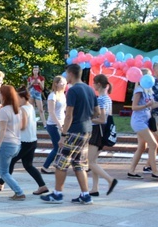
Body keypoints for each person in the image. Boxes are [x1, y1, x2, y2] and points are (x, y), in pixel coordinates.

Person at [41, 64, 99, 204]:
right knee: (79, 163)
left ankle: (57, 194)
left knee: (61, 163)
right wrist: (85, 117)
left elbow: (69, 115)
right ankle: (85, 195)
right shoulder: (89, 89)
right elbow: (97, 112)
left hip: (73, 131)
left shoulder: (73, 90)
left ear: (71, 74)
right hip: (87, 130)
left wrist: (64, 135)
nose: (66, 77)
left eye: (67, 74)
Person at [0, 88, 50, 196]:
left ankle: (1, 183)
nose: (16, 100)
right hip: (32, 140)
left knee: (12, 161)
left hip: (25, 141)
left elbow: (23, 126)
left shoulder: (23, 109)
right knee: (28, 165)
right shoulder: (31, 107)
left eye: (17, 98)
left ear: (23, 98)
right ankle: (42, 186)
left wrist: (11, 125)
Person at [127, 69, 158, 180]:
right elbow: (134, 107)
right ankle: (154, 171)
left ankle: (131, 171)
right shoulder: (139, 91)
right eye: (149, 76)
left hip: (145, 121)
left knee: (142, 147)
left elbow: (152, 105)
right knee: (153, 144)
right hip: (138, 121)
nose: (151, 79)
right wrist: (146, 106)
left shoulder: (148, 90)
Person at [87, 75, 118, 197]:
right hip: (102, 132)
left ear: (99, 84)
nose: (93, 85)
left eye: (94, 83)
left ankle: (110, 180)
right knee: (93, 161)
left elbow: (102, 119)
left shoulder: (101, 99)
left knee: (90, 162)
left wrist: (89, 119)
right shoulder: (107, 98)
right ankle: (95, 188)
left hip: (97, 132)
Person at [42, 76, 67, 174]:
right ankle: (45, 167)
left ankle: (57, 164)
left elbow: (63, 110)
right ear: (56, 84)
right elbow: (51, 112)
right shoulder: (52, 96)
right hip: (53, 125)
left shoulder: (63, 95)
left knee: (62, 146)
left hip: (62, 123)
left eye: (65, 82)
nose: (64, 84)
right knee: (58, 147)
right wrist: (59, 125)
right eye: (62, 82)